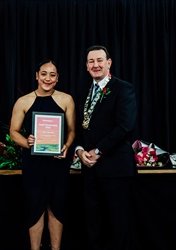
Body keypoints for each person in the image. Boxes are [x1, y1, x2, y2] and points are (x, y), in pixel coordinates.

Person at [75, 45, 138, 250]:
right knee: (93, 222)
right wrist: (79, 150)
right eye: (91, 61)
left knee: (119, 223)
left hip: (116, 168)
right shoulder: (83, 91)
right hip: (89, 169)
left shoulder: (123, 88)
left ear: (109, 63)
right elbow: (78, 126)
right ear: (86, 66)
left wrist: (98, 150)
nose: (96, 65)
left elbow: (125, 126)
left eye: (100, 60)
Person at [10, 60, 75, 250]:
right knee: (35, 208)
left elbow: (72, 131)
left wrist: (67, 145)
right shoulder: (23, 101)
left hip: (58, 163)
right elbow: (14, 132)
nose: (48, 78)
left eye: (52, 75)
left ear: (57, 79)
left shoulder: (66, 100)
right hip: (33, 164)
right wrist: (26, 142)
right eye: (44, 74)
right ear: (37, 76)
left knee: (57, 207)